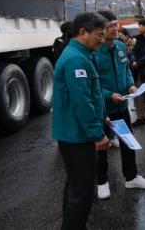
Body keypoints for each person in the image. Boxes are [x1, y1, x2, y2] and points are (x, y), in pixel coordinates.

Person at [52, 12, 110, 230]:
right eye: (99, 35)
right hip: (77, 136)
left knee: (75, 186)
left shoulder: (82, 54)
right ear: (82, 32)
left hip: (75, 133)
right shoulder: (76, 58)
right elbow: (82, 101)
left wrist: (102, 116)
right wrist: (97, 133)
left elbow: (91, 94)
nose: (102, 40)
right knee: (82, 192)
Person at [95, 10, 145, 199]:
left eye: (115, 24)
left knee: (128, 143)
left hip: (122, 107)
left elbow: (126, 69)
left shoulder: (120, 45)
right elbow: (92, 84)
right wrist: (109, 95)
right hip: (103, 109)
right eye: (110, 26)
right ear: (100, 29)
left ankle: (131, 177)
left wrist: (130, 85)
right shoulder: (94, 52)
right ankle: (102, 182)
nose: (115, 28)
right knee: (101, 147)